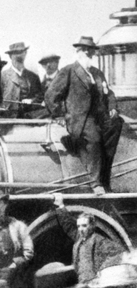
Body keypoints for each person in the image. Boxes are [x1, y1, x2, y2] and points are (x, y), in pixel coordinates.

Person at [45, 36, 122, 194]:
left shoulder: (97, 73)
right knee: (94, 139)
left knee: (117, 124)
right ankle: (95, 183)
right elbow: (51, 95)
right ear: (78, 51)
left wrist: (113, 106)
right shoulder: (69, 71)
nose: (87, 52)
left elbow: (110, 93)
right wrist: (60, 116)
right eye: (84, 49)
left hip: (99, 117)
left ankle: (105, 176)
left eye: (90, 50)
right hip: (79, 118)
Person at [1, 42, 46, 118]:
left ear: (25, 53)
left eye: (21, 52)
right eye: (16, 53)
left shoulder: (33, 77)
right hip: (8, 118)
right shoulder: (3, 76)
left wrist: (32, 100)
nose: (19, 55)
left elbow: (40, 96)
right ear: (10, 56)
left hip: (29, 118)